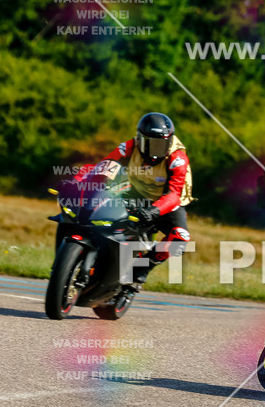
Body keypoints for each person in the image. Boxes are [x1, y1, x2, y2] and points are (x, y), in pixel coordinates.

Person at [72, 112, 193, 287]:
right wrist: (77, 183)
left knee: (180, 238)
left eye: (161, 144)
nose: (155, 150)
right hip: (136, 193)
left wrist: (154, 210)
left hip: (169, 204)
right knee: (99, 205)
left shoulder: (177, 159)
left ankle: (141, 269)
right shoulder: (128, 146)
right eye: (150, 143)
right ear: (139, 139)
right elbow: (103, 167)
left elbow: (174, 194)